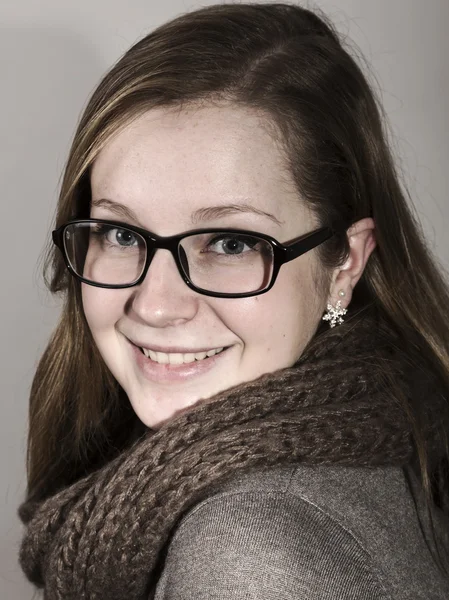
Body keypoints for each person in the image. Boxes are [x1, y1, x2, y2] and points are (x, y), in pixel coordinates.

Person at [17, 3, 449, 599]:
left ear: (344, 263)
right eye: (120, 233)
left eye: (230, 242)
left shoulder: (251, 555)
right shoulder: (401, 426)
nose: (156, 305)